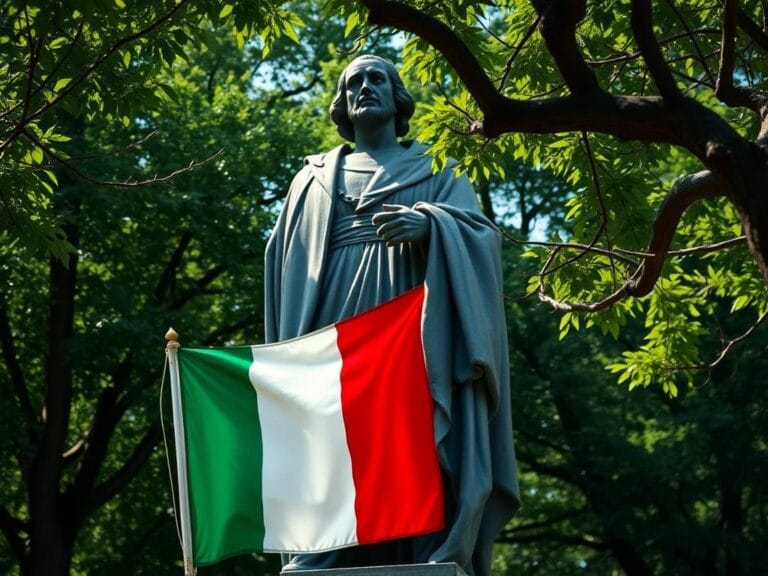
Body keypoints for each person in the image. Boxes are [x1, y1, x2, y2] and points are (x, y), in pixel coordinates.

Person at [264, 54, 519, 576]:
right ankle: (325, 547)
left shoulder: (438, 168)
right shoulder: (312, 178)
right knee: (336, 427)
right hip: (332, 320)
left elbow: (481, 236)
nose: (365, 86)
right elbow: (281, 262)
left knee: (411, 428)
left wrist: (431, 226)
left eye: (377, 77)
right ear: (343, 103)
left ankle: (425, 544)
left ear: (398, 96)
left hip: (409, 316)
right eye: (353, 81)